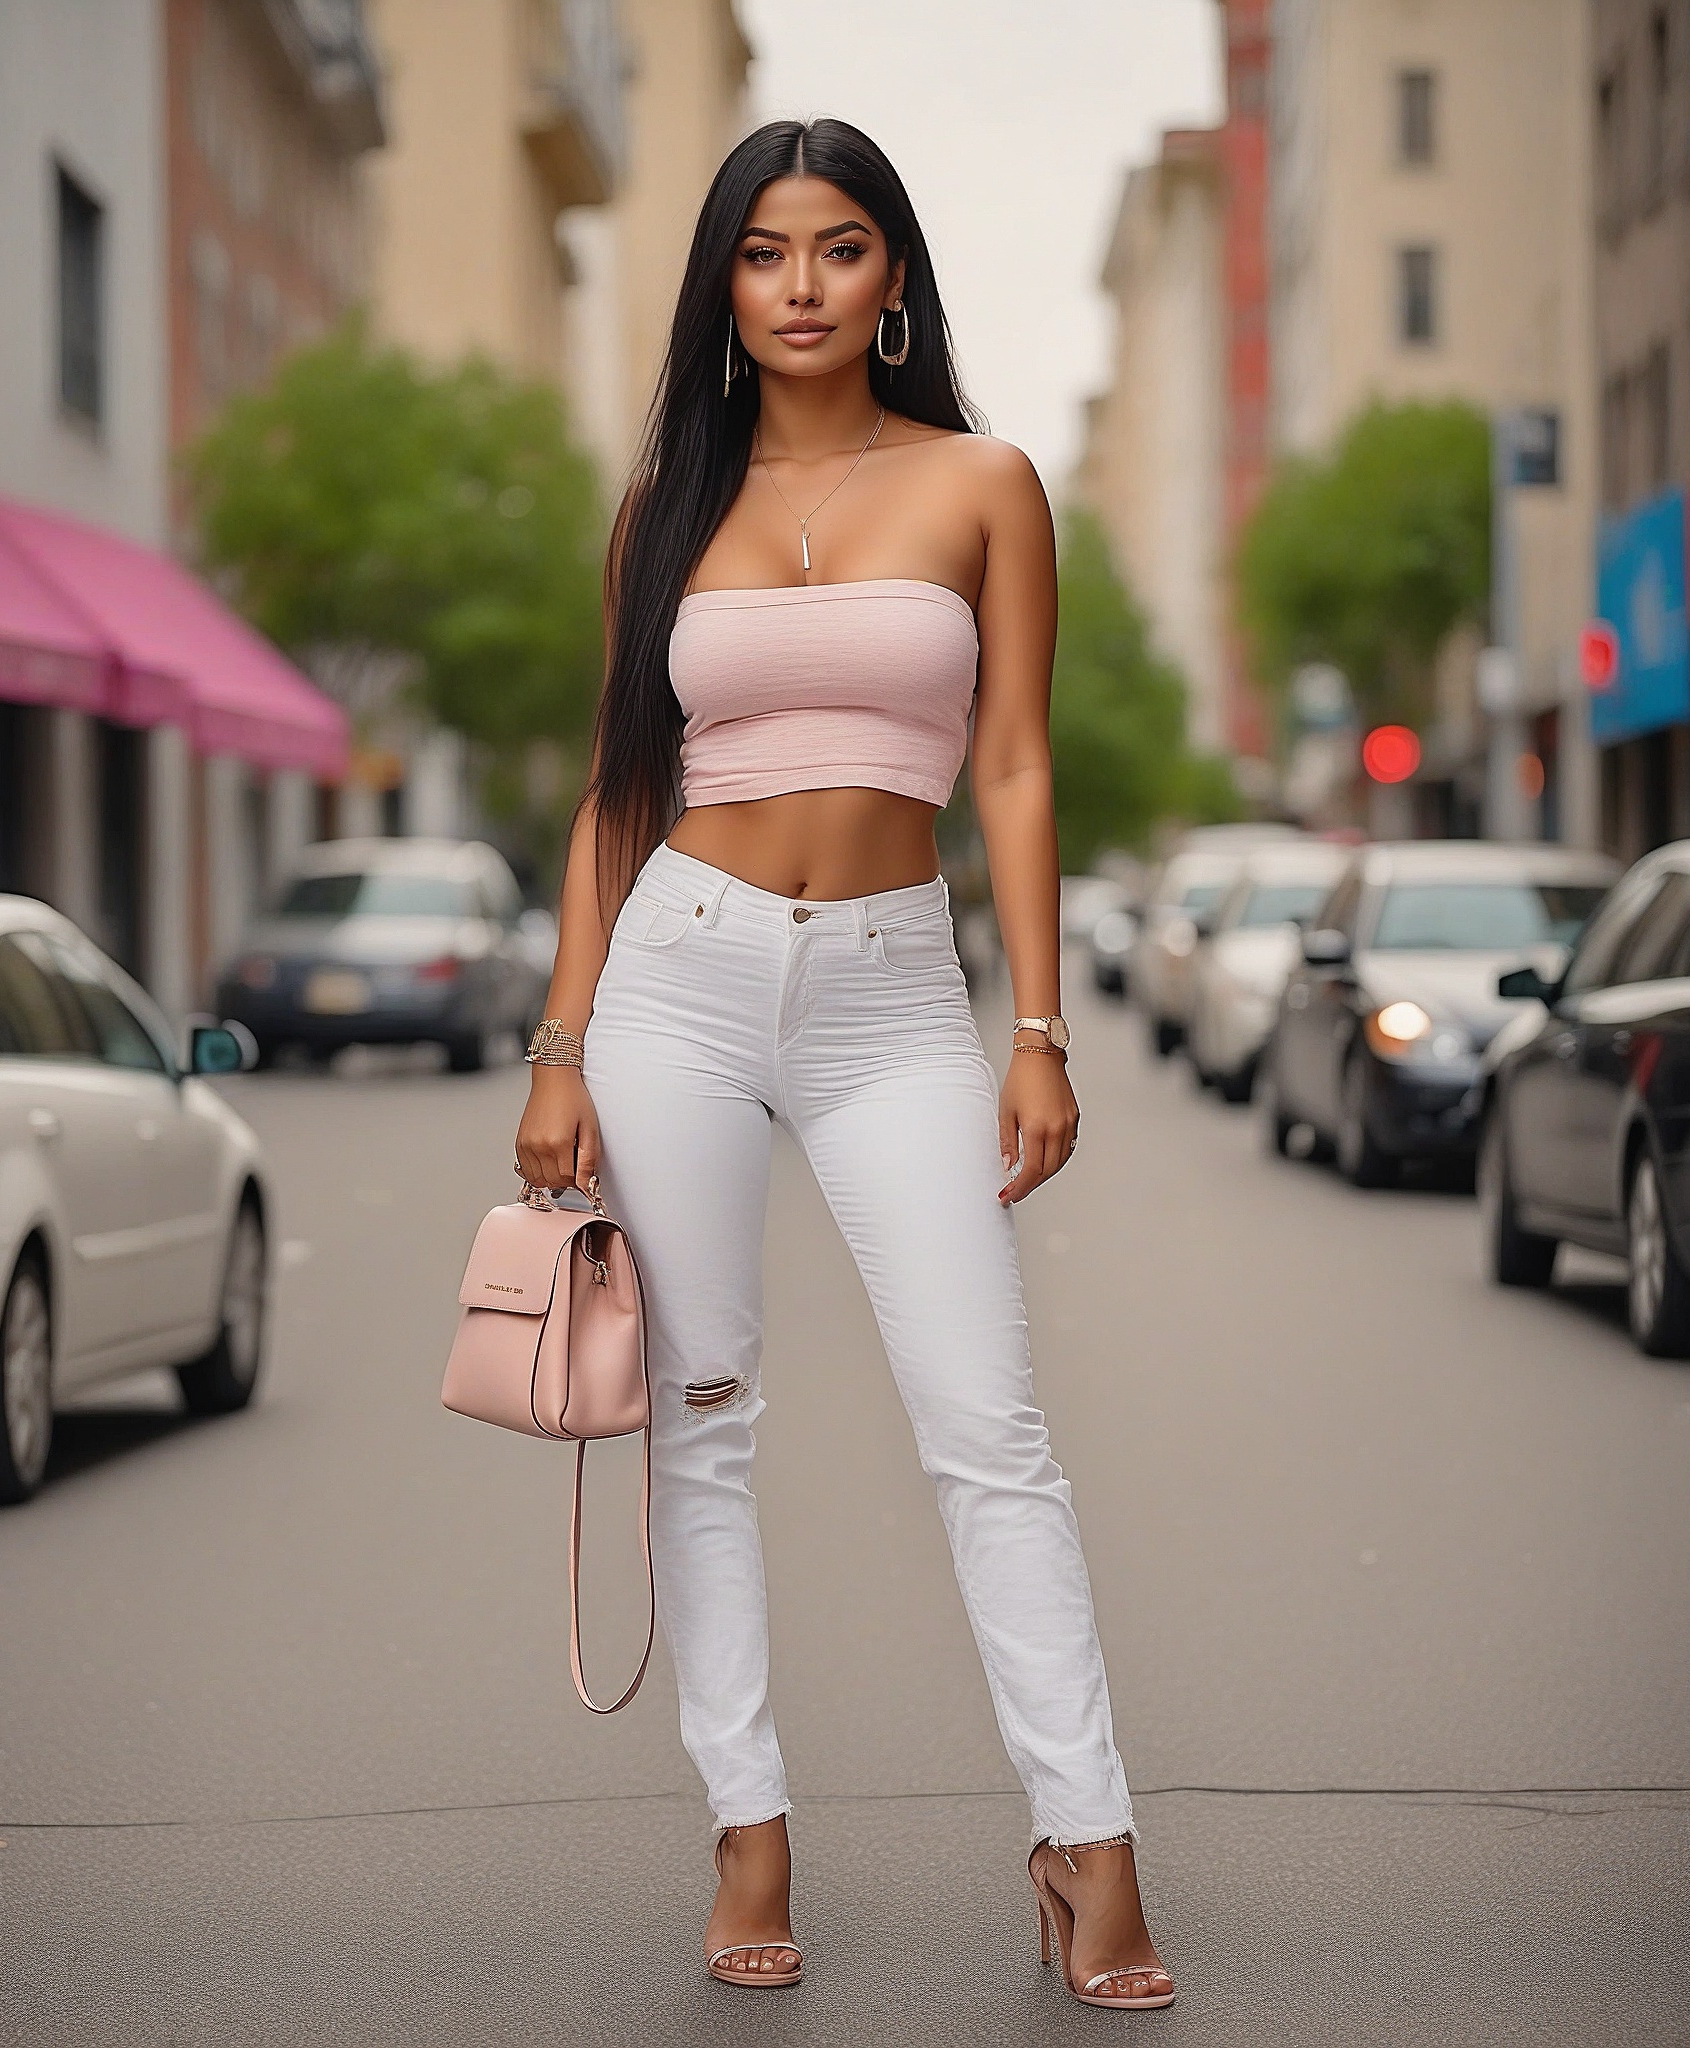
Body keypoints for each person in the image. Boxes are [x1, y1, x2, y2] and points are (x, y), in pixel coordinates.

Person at [513, 117, 1172, 2011]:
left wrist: (1035, 1025)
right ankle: (748, 1826)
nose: (801, 286)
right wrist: (563, 1044)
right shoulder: (664, 514)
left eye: (841, 249)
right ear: (723, 283)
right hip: (678, 984)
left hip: (895, 987)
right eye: (763, 254)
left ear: (894, 282)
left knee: (993, 1432)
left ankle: (1089, 1840)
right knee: (701, 1418)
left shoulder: (983, 481)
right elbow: (617, 793)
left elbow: (1020, 766)